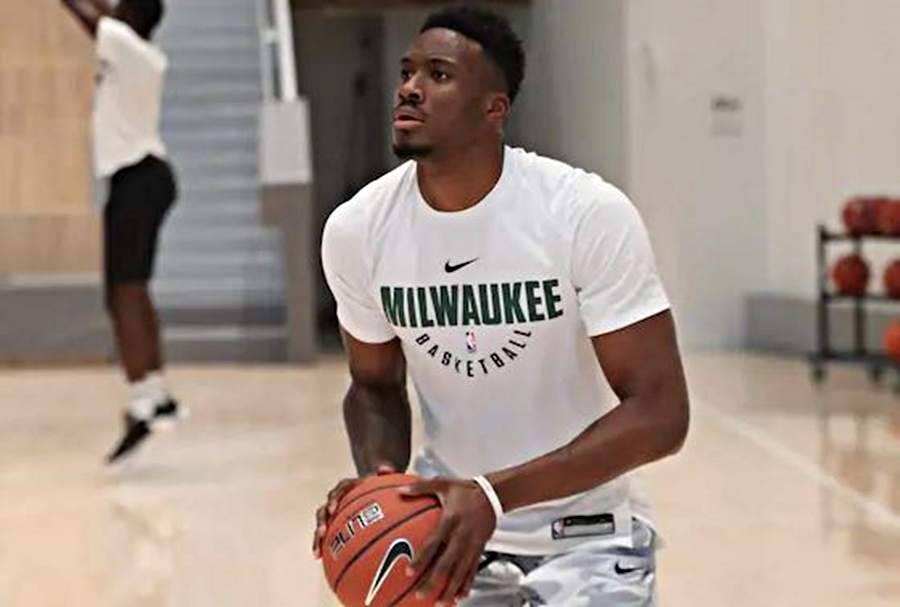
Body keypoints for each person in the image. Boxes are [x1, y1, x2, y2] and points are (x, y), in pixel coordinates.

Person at [315, 5, 690, 606]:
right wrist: (381, 484)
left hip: (589, 535)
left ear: (494, 109)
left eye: (438, 75)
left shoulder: (583, 214)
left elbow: (661, 413)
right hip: (447, 532)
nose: (409, 87)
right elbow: (374, 385)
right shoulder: (357, 229)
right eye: (407, 72)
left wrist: (493, 495)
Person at [60, 0, 183, 465]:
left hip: (137, 178)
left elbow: (88, 16)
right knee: (133, 289)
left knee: (122, 292)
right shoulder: (137, 51)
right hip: (143, 178)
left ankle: (142, 404)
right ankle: (156, 392)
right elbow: (103, 15)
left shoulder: (125, 44)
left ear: (130, 15)